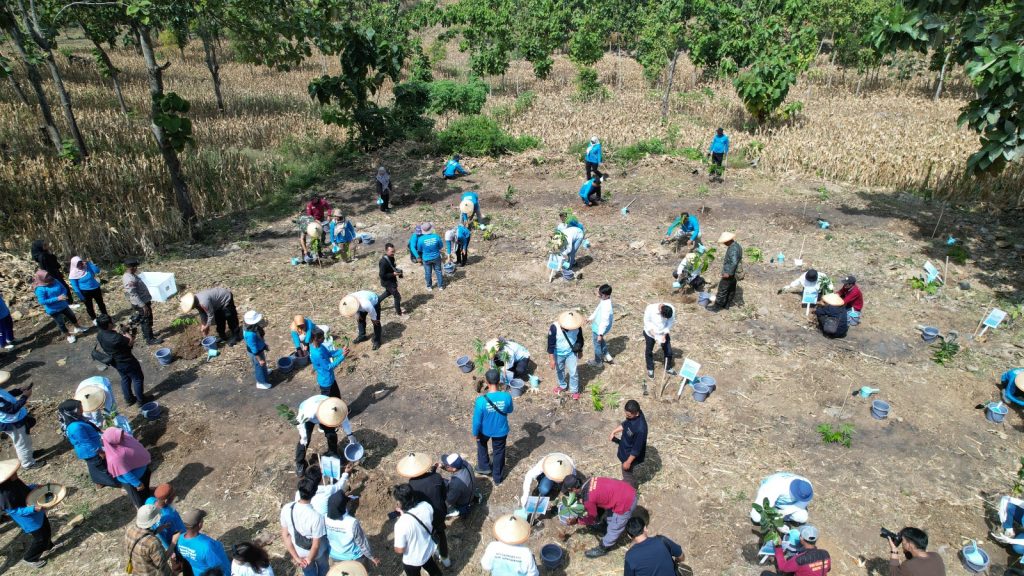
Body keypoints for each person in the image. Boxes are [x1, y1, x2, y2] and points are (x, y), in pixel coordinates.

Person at [561, 474, 638, 558]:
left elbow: (592, 518)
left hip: (626, 503)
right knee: (610, 515)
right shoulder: (591, 480)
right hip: (625, 490)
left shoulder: (588, 498)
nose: (570, 493)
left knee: (615, 528)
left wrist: (577, 521)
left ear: (574, 489)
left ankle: (604, 548)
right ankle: (605, 527)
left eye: (570, 491)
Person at [397, 453, 450, 568]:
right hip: (439, 512)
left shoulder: (412, 484)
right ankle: (445, 558)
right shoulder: (436, 477)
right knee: (441, 534)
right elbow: (444, 494)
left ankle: (433, 552)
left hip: (424, 516)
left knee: (428, 534)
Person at [1, 460, 55, 568]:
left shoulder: (14, 481)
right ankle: (30, 558)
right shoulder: (4, 495)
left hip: (36, 511)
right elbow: (14, 511)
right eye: (13, 472)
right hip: (30, 519)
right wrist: (32, 509)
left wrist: (34, 487)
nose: (16, 473)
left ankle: (48, 546)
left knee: (47, 530)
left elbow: (24, 490)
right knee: (40, 538)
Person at [58, 399, 118, 487]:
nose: (82, 409)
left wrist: (100, 430)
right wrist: (99, 452)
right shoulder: (75, 427)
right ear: (71, 411)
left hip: (90, 449)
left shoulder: (76, 419)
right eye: (79, 408)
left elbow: (89, 425)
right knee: (101, 466)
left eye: (81, 406)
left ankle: (98, 481)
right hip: (90, 451)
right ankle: (113, 482)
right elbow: (86, 442)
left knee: (94, 466)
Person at [281, 474, 330, 576]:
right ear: (314, 493)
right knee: (323, 568)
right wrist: (309, 559)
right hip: (317, 553)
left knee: (309, 572)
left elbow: (285, 535)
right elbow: (316, 545)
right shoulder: (316, 517)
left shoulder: (286, 508)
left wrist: (297, 558)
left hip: (299, 551)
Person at [295, 395, 354, 477]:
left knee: (331, 434)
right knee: (305, 441)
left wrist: (350, 435)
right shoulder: (309, 411)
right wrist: (303, 435)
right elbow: (299, 423)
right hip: (307, 418)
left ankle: (332, 453)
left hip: (326, 416)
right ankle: (300, 463)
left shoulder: (338, 408)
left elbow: (345, 421)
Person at [97, 314, 149, 406]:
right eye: (111, 321)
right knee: (137, 379)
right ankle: (141, 401)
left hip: (114, 361)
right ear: (108, 324)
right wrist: (127, 333)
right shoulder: (115, 338)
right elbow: (130, 342)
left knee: (125, 378)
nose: (113, 321)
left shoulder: (100, 334)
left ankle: (129, 399)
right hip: (126, 361)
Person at [391, 483, 443, 576]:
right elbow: (420, 521)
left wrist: (403, 517)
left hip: (412, 560)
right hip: (427, 549)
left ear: (399, 503)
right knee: (433, 570)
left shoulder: (401, 524)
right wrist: (405, 515)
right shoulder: (426, 506)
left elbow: (400, 550)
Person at [473, 369, 513, 486]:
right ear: (499, 380)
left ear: (486, 381)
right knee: (499, 453)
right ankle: (497, 478)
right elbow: (510, 410)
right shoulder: (506, 396)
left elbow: (477, 421)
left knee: (481, 443)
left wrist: (475, 433)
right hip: (501, 430)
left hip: (485, 430)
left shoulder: (481, 400)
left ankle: (484, 466)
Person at [325, 490, 378, 568]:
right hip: (354, 557)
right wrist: (372, 557)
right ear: (345, 506)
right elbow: (362, 543)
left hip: (335, 555)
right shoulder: (352, 523)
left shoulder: (325, 518)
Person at [0, 371, 42, 470]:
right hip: (13, 423)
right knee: (21, 443)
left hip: (16, 420)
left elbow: (7, 395)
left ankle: (29, 454)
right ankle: (28, 463)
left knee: (25, 440)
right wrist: (25, 397)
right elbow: (12, 409)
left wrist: (19, 390)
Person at [103, 427, 152, 508]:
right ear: (113, 440)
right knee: (139, 500)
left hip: (143, 471)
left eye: (121, 433)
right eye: (118, 435)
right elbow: (125, 473)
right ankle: (144, 511)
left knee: (146, 492)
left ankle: (149, 500)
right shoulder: (115, 458)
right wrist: (137, 484)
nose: (122, 435)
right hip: (133, 482)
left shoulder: (124, 439)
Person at [33, 269, 86, 343]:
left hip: (63, 305)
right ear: (42, 279)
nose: (49, 277)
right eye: (46, 276)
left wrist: (63, 294)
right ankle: (68, 335)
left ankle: (78, 328)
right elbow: (42, 301)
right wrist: (57, 298)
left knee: (72, 316)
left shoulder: (55, 280)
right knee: (61, 323)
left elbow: (63, 288)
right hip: (53, 309)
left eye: (48, 274)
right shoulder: (40, 289)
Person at [174, 509, 232, 576]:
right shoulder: (207, 546)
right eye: (202, 520)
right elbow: (219, 567)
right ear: (200, 524)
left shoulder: (180, 539)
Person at [763, 525, 831, 576]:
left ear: (801, 538)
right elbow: (828, 569)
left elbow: (782, 567)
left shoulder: (800, 559)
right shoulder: (825, 554)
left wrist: (778, 547)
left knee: (765, 574)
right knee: (790, 559)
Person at [122, 258, 162, 345]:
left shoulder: (132, 275)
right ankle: (150, 339)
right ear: (132, 267)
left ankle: (148, 334)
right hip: (141, 303)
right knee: (146, 320)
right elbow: (133, 294)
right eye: (135, 266)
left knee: (147, 319)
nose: (136, 268)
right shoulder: (129, 279)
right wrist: (143, 306)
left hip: (143, 301)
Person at [125, 504, 174, 576]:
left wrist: (159, 529)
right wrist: (174, 542)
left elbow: (142, 535)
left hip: (137, 570)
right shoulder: (153, 542)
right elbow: (161, 563)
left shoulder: (129, 529)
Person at [548, 310, 585, 400]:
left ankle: (574, 391)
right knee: (559, 370)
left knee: (573, 372)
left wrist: (580, 351)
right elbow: (550, 345)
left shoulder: (577, 327)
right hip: (558, 353)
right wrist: (552, 360)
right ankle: (562, 385)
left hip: (571, 353)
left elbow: (580, 340)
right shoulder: (554, 328)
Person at [749, 473, 813, 523]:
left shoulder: (807, 487)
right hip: (769, 497)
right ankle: (773, 518)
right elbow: (767, 505)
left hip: (785, 503)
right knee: (756, 517)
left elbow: (801, 504)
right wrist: (775, 518)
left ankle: (781, 517)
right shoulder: (777, 486)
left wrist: (784, 512)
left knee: (802, 517)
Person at [610, 400, 648, 488]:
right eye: (626, 414)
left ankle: (631, 487)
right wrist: (614, 431)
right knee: (625, 470)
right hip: (625, 448)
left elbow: (636, 449)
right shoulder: (632, 417)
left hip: (629, 456)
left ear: (637, 413)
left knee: (627, 473)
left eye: (629, 415)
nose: (627, 416)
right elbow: (626, 424)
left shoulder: (641, 429)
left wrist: (628, 462)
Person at [145, 483, 187, 551]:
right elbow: (179, 531)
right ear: (166, 500)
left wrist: (167, 547)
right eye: (173, 495)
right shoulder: (170, 516)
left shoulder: (149, 501)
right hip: (176, 542)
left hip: (162, 539)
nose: (175, 496)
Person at [31, 239, 74, 305]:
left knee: (62, 288)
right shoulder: (43, 256)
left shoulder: (44, 254)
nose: (47, 246)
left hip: (52, 275)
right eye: (45, 245)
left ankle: (67, 302)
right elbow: (48, 267)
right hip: (52, 275)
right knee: (63, 288)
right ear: (40, 247)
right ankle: (68, 303)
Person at [69, 256, 107, 323]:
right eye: (78, 264)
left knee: (101, 304)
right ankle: (94, 319)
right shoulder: (73, 274)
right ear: (74, 264)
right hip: (85, 291)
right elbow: (75, 287)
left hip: (96, 288)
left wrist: (89, 263)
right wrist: (81, 296)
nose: (80, 265)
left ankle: (105, 317)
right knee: (89, 307)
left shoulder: (87, 267)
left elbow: (97, 271)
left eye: (81, 263)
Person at [710, 232, 742, 311]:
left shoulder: (733, 248)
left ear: (728, 240)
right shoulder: (736, 245)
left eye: (725, 242)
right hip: (735, 272)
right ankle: (726, 304)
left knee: (722, 289)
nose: (724, 243)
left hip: (730, 272)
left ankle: (717, 307)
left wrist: (728, 273)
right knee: (731, 289)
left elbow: (734, 262)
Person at [642, 303, 676, 379]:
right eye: (664, 317)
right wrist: (655, 336)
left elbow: (670, 323)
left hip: (663, 332)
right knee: (649, 350)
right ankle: (650, 368)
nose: (666, 319)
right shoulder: (650, 309)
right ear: (660, 311)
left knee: (669, 351)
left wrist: (664, 335)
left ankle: (668, 367)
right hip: (650, 333)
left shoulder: (672, 309)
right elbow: (647, 322)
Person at [439, 453, 477, 518]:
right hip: (469, 490)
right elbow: (452, 468)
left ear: (454, 469)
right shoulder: (465, 464)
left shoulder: (456, 483)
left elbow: (449, 500)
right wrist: (442, 466)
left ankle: (461, 511)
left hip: (464, 502)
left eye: (446, 466)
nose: (445, 465)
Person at [242, 311, 272, 390]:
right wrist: (259, 359)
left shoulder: (251, 327)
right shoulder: (250, 334)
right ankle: (261, 382)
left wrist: (264, 345)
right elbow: (254, 348)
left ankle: (264, 370)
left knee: (262, 364)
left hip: (259, 349)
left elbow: (260, 338)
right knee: (259, 365)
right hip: (255, 353)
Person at [588, 284, 614, 367]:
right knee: (600, 341)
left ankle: (598, 362)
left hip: (599, 328)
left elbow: (604, 322)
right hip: (599, 325)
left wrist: (600, 334)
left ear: (607, 295)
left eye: (601, 294)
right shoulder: (604, 300)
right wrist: (591, 318)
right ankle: (607, 355)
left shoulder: (607, 307)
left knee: (597, 344)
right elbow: (598, 310)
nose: (599, 295)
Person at [416, 223, 444, 291]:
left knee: (428, 273)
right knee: (438, 271)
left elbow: (419, 249)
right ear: (431, 229)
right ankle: (440, 286)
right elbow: (441, 246)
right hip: (436, 257)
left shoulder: (421, 239)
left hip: (426, 258)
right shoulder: (436, 236)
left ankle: (429, 287)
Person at [379, 243, 404, 317]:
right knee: (397, 296)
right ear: (386, 251)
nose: (393, 253)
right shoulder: (383, 262)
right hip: (387, 282)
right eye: (391, 252)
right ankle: (399, 313)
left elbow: (392, 267)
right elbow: (382, 275)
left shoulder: (392, 258)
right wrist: (393, 274)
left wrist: (397, 271)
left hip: (391, 280)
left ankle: (375, 302)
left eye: (394, 251)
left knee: (388, 293)